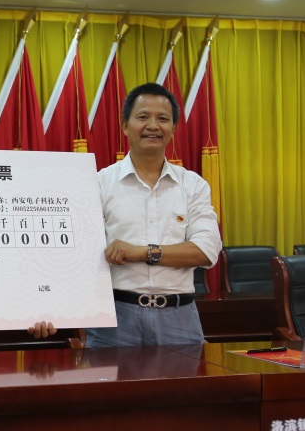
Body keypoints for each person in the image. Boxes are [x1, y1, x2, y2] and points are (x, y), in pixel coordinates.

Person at [86, 82, 222, 346]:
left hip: (179, 318)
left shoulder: (193, 185)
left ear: (174, 128)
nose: (153, 126)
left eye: (163, 119)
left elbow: (206, 251)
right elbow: (80, 254)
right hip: (115, 318)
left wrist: (141, 252)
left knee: (189, 376)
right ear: (125, 125)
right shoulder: (99, 183)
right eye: (143, 117)